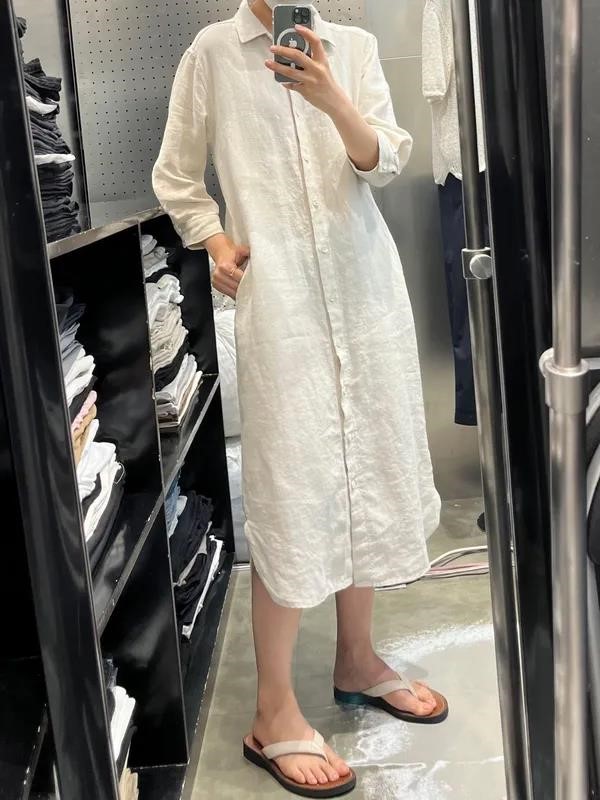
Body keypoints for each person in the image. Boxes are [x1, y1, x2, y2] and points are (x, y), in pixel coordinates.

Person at [153, 1, 445, 796]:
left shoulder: (352, 47)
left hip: (366, 292)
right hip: (279, 303)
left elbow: (384, 158)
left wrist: (330, 95)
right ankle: (272, 711)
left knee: (366, 469)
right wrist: (215, 241)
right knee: (290, 486)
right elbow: (176, 174)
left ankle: (357, 658)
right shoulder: (213, 53)